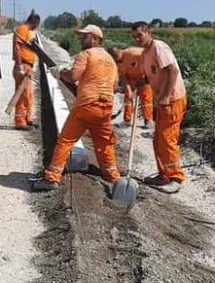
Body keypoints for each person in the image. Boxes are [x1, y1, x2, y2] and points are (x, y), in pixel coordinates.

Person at [33, 25, 123, 191]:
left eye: (85, 36)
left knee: (65, 140)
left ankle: (52, 177)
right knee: (104, 144)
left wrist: (60, 72)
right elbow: (115, 86)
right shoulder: (111, 60)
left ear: (96, 38)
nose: (81, 39)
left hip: (86, 106)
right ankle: (113, 176)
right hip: (105, 107)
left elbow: (74, 76)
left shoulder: (86, 54)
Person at [131, 21, 187, 194]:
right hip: (163, 100)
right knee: (158, 140)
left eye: (139, 35)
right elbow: (156, 73)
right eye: (134, 36)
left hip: (173, 99)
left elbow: (172, 71)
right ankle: (164, 174)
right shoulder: (146, 53)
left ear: (148, 32)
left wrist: (164, 97)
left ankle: (176, 177)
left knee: (167, 138)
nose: (137, 39)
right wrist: (144, 81)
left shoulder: (158, 47)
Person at [107, 46, 154, 129]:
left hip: (143, 76)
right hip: (130, 78)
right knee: (128, 97)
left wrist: (146, 76)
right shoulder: (116, 63)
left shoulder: (133, 53)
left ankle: (148, 120)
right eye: (115, 59)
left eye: (117, 56)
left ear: (120, 51)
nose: (117, 60)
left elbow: (150, 58)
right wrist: (128, 89)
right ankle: (127, 120)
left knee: (146, 97)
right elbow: (123, 77)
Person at [12, 11, 40, 130]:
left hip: (27, 66)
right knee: (23, 95)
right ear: (34, 22)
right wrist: (19, 66)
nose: (36, 27)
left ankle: (27, 119)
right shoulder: (22, 29)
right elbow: (17, 47)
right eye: (37, 25)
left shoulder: (26, 31)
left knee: (28, 94)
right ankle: (20, 122)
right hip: (23, 65)